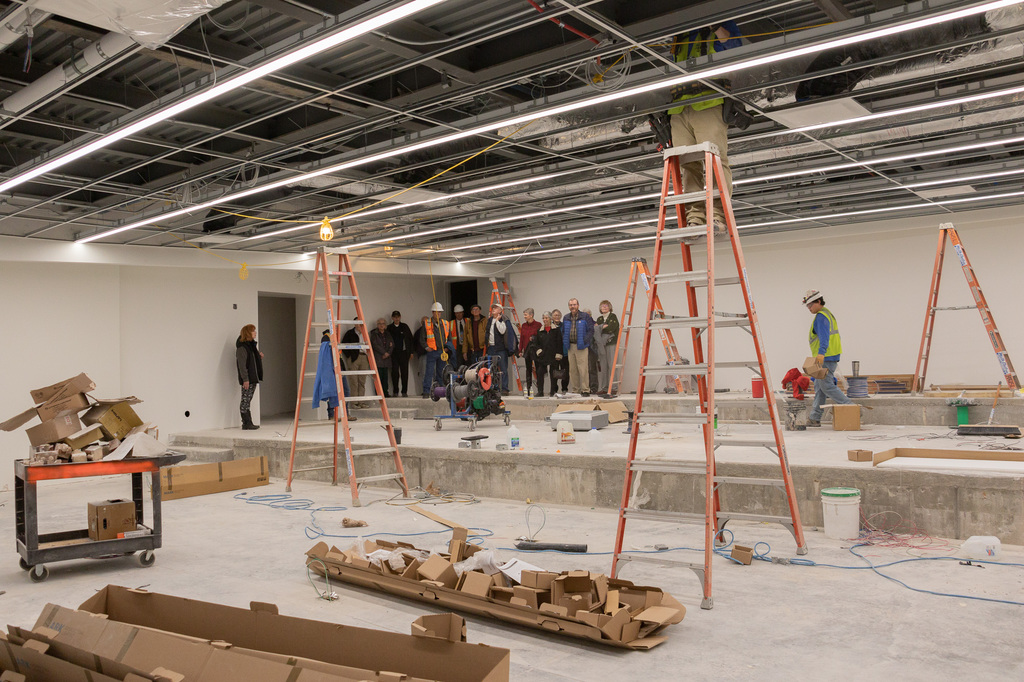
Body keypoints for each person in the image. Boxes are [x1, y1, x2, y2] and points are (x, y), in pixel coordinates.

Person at [668, 21, 742, 234]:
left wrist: (716, 27)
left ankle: (718, 217)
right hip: (679, 107)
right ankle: (695, 218)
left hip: (708, 102)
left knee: (715, 162)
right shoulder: (677, 31)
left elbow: (735, 47)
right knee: (688, 166)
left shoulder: (720, 22)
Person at [803, 289, 852, 426]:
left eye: (811, 305)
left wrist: (821, 353)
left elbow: (824, 337)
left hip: (825, 357)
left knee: (827, 386)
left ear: (819, 301)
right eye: (807, 306)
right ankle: (815, 417)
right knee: (820, 387)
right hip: (829, 356)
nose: (809, 308)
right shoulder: (827, 314)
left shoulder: (821, 317)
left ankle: (851, 407)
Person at [312, 330, 355, 422]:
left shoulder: (335, 338)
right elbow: (326, 356)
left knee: (346, 391)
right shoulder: (326, 338)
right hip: (331, 369)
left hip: (340, 368)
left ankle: (346, 414)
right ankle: (331, 415)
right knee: (331, 392)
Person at [562, 298, 595, 397]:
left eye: (574, 304)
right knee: (573, 370)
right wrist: (565, 341)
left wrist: (585, 340)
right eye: (571, 305)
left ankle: (585, 390)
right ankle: (576, 390)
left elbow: (591, 330)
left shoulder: (585, 316)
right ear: (569, 306)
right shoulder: (566, 317)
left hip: (581, 346)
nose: (573, 306)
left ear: (578, 305)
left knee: (583, 369)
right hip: (570, 346)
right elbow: (563, 331)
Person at [422, 302, 454, 398]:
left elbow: (449, 338)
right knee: (429, 372)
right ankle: (426, 391)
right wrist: (427, 348)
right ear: (432, 312)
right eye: (436, 312)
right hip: (432, 352)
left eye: (440, 312)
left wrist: (447, 348)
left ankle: (440, 391)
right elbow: (422, 338)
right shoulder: (427, 323)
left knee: (441, 372)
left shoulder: (445, 323)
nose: (438, 314)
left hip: (442, 351)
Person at [235, 324, 263, 430]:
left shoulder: (251, 346)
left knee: (248, 399)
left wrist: (258, 357)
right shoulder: (242, 347)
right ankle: (246, 423)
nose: (255, 333)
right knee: (245, 400)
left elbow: (251, 362)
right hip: (248, 379)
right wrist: (245, 379)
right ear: (248, 333)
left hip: (253, 378)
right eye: (253, 331)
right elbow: (242, 365)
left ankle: (248, 422)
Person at [486, 302, 518, 395]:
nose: (493, 310)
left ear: (500, 310)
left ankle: (504, 388)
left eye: (495, 308)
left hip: (500, 348)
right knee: (492, 369)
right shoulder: (489, 320)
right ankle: (493, 388)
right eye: (493, 308)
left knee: (503, 369)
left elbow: (502, 330)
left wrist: (497, 321)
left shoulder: (502, 319)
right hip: (491, 347)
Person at [527, 312, 561, 397]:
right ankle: (540, 391)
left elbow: (559, 342)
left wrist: (558, 354)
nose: (545, 320)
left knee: (553, 374)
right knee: (540, 373)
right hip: (543, 356)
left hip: (553, 355)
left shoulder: (556, 330)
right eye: (543, 318)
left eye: (546, 318)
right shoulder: (540, 331)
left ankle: (553, 391)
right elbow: (536, 343)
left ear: (550, 319)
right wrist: (539, 351)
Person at [341, 325, 371, 407]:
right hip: (354, 358)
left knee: (362, 381)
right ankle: (354, 402)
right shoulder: (350, 333)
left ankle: (361, 401)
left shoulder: (365, 333)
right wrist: (350, 356)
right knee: (353, 381)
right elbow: (343, 345)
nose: (359, 326)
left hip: (364, 357)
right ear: (355, 324)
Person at [387, 310, 414, 397]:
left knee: (404, 373)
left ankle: (404, 391)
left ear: (400, 317)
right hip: (394, 354)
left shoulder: (404, 327)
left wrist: (411, 352)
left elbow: (410, 340)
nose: (396, 318)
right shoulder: (389, 328)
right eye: (395, 317)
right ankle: (395, 391)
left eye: (398, 317)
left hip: (404, 353)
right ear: (392, 318)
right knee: (394, 372)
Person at [595, 300, 620, 394]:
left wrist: (600, 327)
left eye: (606, 306)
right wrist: (602, 327)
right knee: (603, 366)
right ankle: (604, 388)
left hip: (611, 344)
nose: (604, 307)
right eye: (602, 306)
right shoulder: (600, 319)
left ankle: (614, 387)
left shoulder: (613, 316)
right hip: (602, 345)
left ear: (609, 307)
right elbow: (596, 331)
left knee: (611, 365)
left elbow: (612, 328)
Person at [519, 307, 541, 398]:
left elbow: (540, 338)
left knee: (538, 370)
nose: (524, 316)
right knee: (528, 370)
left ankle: (540, 390)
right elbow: (522, 339)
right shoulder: (524, 325)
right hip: (527, 351)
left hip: (535, 350)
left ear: (531, 315)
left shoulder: (538, 325)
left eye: (526, 315)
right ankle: (528, 389)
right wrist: (520, 350)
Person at [370, 318, 394, 398]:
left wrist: (388, 353)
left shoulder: (388, 334)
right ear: (377, 325)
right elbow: (375, 345)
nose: (381, 325)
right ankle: (378, 393)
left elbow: (392, 344)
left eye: (383, 323)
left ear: (385, 325)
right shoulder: (374, 334)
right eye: (379, 323)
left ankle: (385, 392)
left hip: (386, 359)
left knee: (385, 377)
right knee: (378, 377)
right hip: (378, 358)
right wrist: (384, 352)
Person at [551, 308, 569, 393]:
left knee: (565, 372)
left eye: (558, 315)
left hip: (564, 352)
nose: (557, 317)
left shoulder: (564, 326)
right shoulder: (550, 327)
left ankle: (564, 389)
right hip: (553, 354)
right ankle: (554, 389)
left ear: (560, 316)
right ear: (552, 317)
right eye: (555, 315)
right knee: (554, 372)